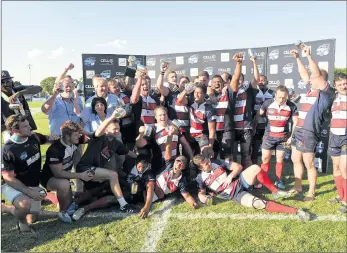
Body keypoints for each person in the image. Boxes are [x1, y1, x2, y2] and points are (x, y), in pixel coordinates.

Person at [192, 154, 311, 221]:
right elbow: (201, 193)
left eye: (208, 160)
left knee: (255, 168)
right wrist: (202, 197)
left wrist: (230, 177)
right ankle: (296, 211)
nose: (209, 163)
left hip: (239, 183)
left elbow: (238, 166)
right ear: (200, 168)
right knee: (259, 204)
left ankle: (275, 191)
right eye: (206, 164)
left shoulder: (217, 161)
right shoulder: (200, 178)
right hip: (235, 195)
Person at [289, 47, 335, 201]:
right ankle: (298, 186)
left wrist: (308, 56)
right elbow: (305, 74)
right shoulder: (310, 91)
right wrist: (297, 58)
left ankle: (312, 191)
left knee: (309, 162)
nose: (311, 80)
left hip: (309, 132)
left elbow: (315, 73)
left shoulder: (326, 94)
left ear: (322, 80)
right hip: (299, 130)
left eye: (315, 78)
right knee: (296, 159)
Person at [1, 115, 59, 232]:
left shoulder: (34, 137)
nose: (30, 128)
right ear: (15, 130)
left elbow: (48, 139)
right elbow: (8, 178)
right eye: (26, 126)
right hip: (11, 185)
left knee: (32, 218)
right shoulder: (8, 149)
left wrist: (54, 137)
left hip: (32, 184)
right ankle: (22, 223)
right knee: (25, 205)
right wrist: (29, 192)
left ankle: (5, 208)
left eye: (29, 124)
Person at [76, 109, 138, 213]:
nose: (117, 131)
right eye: (114, 129)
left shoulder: (116, 143)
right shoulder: (99, 137)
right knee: (113, 175)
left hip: (96, 173)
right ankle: (123, 205)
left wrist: (143, 158)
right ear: (106, 129)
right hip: (84, 168)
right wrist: (112, 117)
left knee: (95, 196)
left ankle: (75, 200)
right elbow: (99, 129)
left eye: (118, 129)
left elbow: (130, 153)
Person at [40, 121, 92, 222]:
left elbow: (94, 137)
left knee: (71, 203)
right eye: (76, 135)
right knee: (64, 184)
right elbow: (58, 173)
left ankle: (60, 196)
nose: (79, 136)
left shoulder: (75, 140)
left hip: (64, 178)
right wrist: (80, 175)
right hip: (49, 179)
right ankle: (62, 212)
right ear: (68, 137)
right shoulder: (55, 150)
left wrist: (85, 132)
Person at [259, 85, 298, 190]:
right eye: (279, 97)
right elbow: (260, 114)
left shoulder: (292, 106)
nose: (282, 100)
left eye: (284, 98)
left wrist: (291, 136)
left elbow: (296, 122)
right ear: (275, 95)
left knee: (279, 159)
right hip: (269, 136)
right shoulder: (267, 103)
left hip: (283, 137)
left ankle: (278, 180)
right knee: (265, 159)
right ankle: (264, 181)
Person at [135, 106, 193, 172]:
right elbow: (139, 144)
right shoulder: (152, 129)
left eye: (164, 114)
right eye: (160, 115)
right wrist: (141, 134)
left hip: (175, 165)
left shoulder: (174, 128)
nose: (163, 117)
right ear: (156, 117)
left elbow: (185, 143)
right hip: (160, 165)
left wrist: (191, 158)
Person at [228, 53, 258, 169]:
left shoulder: (248, 90)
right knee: (232, 155)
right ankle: (234, 176)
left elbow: (256, 79)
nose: (239, 81)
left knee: (246, 155)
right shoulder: (230, 91)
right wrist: (239, 63)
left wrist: (254, 62)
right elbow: (235, 78)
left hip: (245, 127)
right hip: (232, 128)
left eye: (241, 79)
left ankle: (246, 178)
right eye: (237, 79)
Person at [177, 83, 216, 159]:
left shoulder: (208, 108)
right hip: (190, 135)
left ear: (205, 95)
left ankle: (206, 170)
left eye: (199, 93)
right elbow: (179, 100)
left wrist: (210, 146)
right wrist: (186, 90)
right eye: (195, 92)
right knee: (189, 156)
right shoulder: (191, 100)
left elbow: (212, 130)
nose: (196, 95)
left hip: (202, 136)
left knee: (205, 155)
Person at [1, 70, 42, 141]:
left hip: (27, 128)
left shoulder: (17, 90)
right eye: (2, 82)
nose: (6, 84)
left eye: (8, 81)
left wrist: (19, 93)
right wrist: (14, 122)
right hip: (11, 133)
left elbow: (39, 88)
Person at [327, 72, 347, 213]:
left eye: (345, 83)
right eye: (340, 84)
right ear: (335, 86)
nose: (343, 86)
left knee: (344, 168)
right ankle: (341, 195)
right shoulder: (333, 98)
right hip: (334, 136)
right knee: (336, 168)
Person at [206, 75, 233, 162]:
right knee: (212, 156)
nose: (217, 83)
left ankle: (229, 174)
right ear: (211, 85)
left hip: (225, 130)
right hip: (212, 131)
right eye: (215, 82)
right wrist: (210, 94)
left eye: (219, 82)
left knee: (227, 156)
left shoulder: (228, 94)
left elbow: (234, 84)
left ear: (223, 84)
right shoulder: (206, 97)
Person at [251, 73, 274, 165]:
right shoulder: (253, 92)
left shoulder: (273, 93)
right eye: (259, 80)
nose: (260, 82)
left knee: (267, 150)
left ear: (267, 82)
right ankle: (255, 167)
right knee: (255, 148)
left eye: (263, 80)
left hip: (268, 126)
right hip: (256, 124)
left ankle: (264, 167)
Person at [107, 79, 134, 148]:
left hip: (125, 125)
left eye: (118, 86)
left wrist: (117, 116)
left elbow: (128, 110)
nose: (117, 88)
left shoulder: (124, 97)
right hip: (112, 126)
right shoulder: (107, 98)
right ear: (109, 89)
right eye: (114, 87)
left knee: (128, 143)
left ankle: (129, 157)